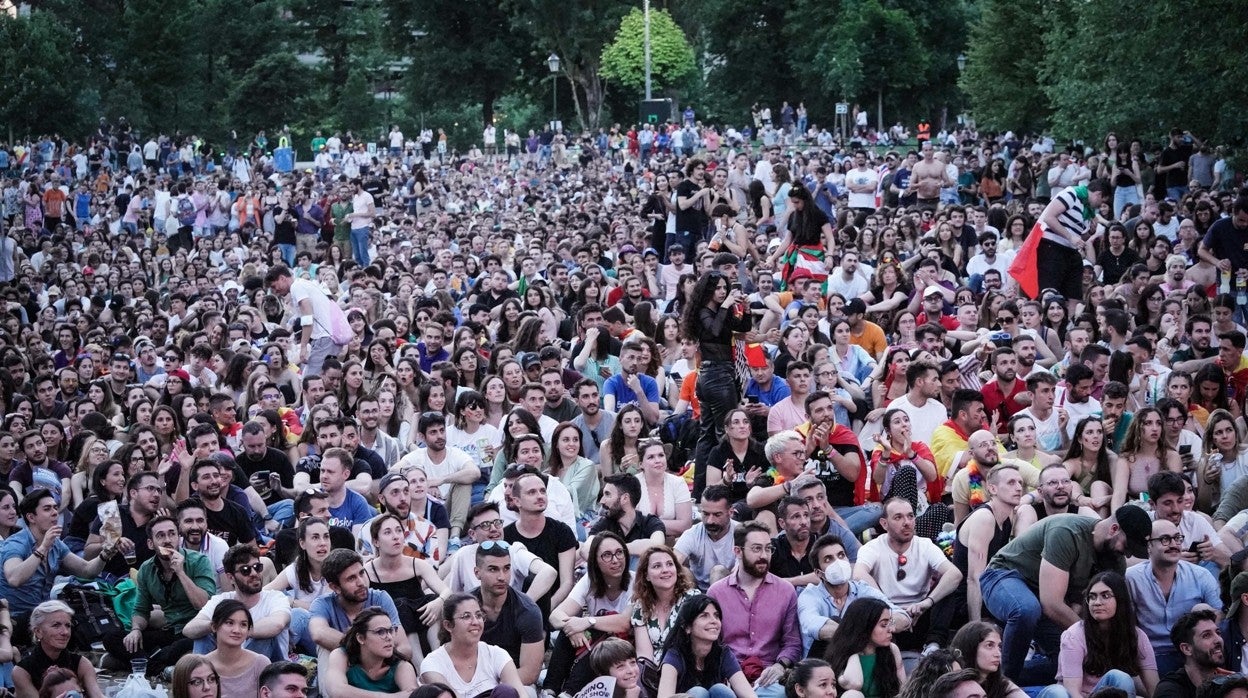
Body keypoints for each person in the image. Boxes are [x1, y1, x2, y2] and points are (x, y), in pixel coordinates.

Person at [979, 506, 1152, 684]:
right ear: (1114, 529)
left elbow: (1081, 606)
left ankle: (990, 676)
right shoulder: (1067, 532)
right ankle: (1002, 685)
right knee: (1026, 609)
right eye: (1127, 545)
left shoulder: (1115, 561)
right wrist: (1093, 638)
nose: (1128, 553)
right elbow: (1052, 604)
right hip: (1004, 575)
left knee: (1072, 663)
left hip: (1041, 596)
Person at [0, 488, 123, 642]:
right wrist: (42, 548)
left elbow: (86, 571)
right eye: (47, 509)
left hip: (42, 614)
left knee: (86, 619)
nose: (54, 513)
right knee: (65, 627)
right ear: (31, 517)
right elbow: (14, 578)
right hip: (16, 618)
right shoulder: (16, 544)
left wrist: (105, 555)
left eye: (55, 508)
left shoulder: (56, 544)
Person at [852, 498, 962, 655]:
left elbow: (954, 574)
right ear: (884, 524)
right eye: (898, 517)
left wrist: (926, 603)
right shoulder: (873, 547)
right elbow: (858, 574)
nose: (907, 522)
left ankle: (933, 645)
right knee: (860, 595)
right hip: (888, 615)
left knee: (949, 588)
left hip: (921, 613)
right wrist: (889, 607)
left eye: (910, 516)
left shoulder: (924, 545)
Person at [107, 515, 215, 673]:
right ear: (151, 544)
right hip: (171, 630)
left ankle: (144, 663)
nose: (167, 540)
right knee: (112, 638)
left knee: (182, 647)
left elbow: (203, 604)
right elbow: (141, 609)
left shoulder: (198, 561)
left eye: (172, 534)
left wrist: (180, 572)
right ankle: (155, 665)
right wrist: (136, 629)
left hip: (195, 631)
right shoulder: (146, 569)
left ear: (178, 538)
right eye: (160, 536)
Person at [707, 521, 801, 698]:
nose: (764, 556)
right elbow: (711, 642)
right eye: (757, 549)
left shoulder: (786, 591)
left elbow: (792, 642)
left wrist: (779, 666)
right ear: (738, 551)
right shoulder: (717, 592)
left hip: (768, 677)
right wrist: (725, 671)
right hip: (728, 675)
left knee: (781, 694)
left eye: (768, 549)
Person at [1126, 516, 1222, 674]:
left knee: (1203, 609)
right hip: (1149, 657)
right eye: (1165, 539)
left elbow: (1220, 615)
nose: (1173, 544)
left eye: (1177, 538)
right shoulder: (1132, 578)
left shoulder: (1201, 575)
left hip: (1192, 655)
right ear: (1149, 546)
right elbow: (1126, 625)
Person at [1041, 571, 1156, 698]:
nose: (1097, 602)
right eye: (1092, 597)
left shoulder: (1137, 636)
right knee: (1058, 693)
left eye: (1105, 596)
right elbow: (1072, 691)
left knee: (1120, 677)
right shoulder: (1074, 635)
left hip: (1106, 694)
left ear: (1120, 599)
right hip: (1073, 695)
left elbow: (1154, 689)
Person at [684, 272, 753, 472]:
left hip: (714, 376)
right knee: (726, 432)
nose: (723, 292)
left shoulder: (723, 311)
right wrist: (725, 305)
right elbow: (713, 330)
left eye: (725, 288)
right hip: (716, 376)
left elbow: (743, 327)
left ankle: (701, 488)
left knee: (707, 434)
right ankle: (725, 481)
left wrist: (746, 309)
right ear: (708, 290)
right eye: (718, 288)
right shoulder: (703, 312)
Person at [183, 543, 291, 662]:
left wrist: (236, 630)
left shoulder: (275, 597)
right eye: (246, 570)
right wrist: (217, 626)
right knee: (203, 634)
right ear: (231, 577)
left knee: (265, 636)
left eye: (257, 567)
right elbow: (189, 629)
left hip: (270, 670)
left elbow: (277, 624)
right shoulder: (221, 600)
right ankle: (201, 676)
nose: (254, 573)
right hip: (227, 667)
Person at [797, 535, 894, 659]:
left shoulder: (862, 589)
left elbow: (897, 614)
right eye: (828, 559)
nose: (838, 562)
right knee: (836, 621)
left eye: (841, 555)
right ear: (818, 573)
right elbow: (814, 626)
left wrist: (887, 624)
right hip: (821, 664)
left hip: (860, 657)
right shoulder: (809, 595)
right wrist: (869, 632)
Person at [419, 593, 525, 698]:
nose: (475, 622)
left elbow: (521, 694)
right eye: (466, 617)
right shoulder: (433, 664)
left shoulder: (496, 655)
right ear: (448, 625)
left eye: (478, 615)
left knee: (506, 692)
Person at [471, 540, 545, 687]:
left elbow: (529, 673)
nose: (502, 577)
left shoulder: (528, 610)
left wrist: (488, 689)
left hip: (514, 683)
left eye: (506, 568)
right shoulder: (465, 609)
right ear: (477, 573)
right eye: (493, 569)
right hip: (471, 681)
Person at [657, 593, 756, 698]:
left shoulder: (723, 653)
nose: (714, 621)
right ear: (687, 627)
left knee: (720, 689)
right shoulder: (675, 655)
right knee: (698, 693)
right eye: (704, 616)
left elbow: (750, 695)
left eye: (716, 615)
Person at [1037, 180, 1110, 317]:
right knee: (1049, 291)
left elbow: (1079, 239)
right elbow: (1049, 217)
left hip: (1070, 251)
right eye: (1102, 202)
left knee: (1074, 293)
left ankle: (1068, 324)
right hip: (1052, 246)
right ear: (1099, 194)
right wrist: (1070, 237)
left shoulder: (1088, 211)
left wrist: (1090, 233)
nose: (1100, 206)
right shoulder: (1071, 193)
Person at [264, 264, 349, 377]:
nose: (275, 291)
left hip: (325, 338)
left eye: (275, 286)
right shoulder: (302, 284)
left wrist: (303, 346)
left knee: (311, 379)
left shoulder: (297, 287)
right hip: (327, 337)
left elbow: (308, 317)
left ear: (282, 279)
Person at [12, 600, 105, 698]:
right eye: (56, 625)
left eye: (68, 625)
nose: (65, 632)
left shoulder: (81, 664)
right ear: (38, 631)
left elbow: (98, 696)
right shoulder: (22, 671)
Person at [322, 607, 418, 698]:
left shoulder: (401, 665)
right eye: (380, 632)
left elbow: (414, 695)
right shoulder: (341, 655)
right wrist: (391, 696)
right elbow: (337, 691)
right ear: (361, 638)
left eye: (390, 630)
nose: (389, 637)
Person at [823, 598, 904, 698]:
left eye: (890, 623)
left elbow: (903, 691)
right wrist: (854, 654)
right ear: (864, 626)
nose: (892, 629)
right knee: (853, 695)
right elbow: (855, 683)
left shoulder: (892, 650)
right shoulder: (840, 653)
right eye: (884, 625)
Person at [632, 545, 701, 662]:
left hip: (688, 667)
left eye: (669, 564)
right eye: (657, 566)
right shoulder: (641, 606)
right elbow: (644, 656)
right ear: (646, 575)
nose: (665, 570)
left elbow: (698, 647)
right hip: (654, 673)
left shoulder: (693, 599)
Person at [1154, 609, 1234, 698]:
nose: (1218, 639)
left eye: (1218, 633)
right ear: (1186, 649)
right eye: (1206, 635)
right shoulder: (1169, 690)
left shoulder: (1230, 684)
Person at [674, 485, 739, 591]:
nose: (710, 521)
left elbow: (740, 573)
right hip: (696, 591)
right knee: (679, 570)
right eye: (705, 514)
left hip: (729, 591)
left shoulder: (741, 534)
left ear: (730, 512)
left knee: (718, 572)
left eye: (717, 515)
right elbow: (672, 562)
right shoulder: (693, 533)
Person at [204, 599, 271, 698]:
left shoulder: (260, 663)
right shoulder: (203, 665)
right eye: (229, 623)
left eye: (243, 624)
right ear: (214, 626)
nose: (237, 630)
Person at [590, 473, 667, 556]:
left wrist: (611, 551)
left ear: (625, 498)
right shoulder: (604, 522)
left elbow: (658, 546)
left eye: (608, 494)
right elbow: (587, 549)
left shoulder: (650, 522)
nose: (602, 501)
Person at [949, 622, 1027, 698]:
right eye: (989, 645)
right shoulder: (951, 683)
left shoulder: (1000, 683)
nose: (998, 654)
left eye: (999, 647)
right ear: (971, 648)